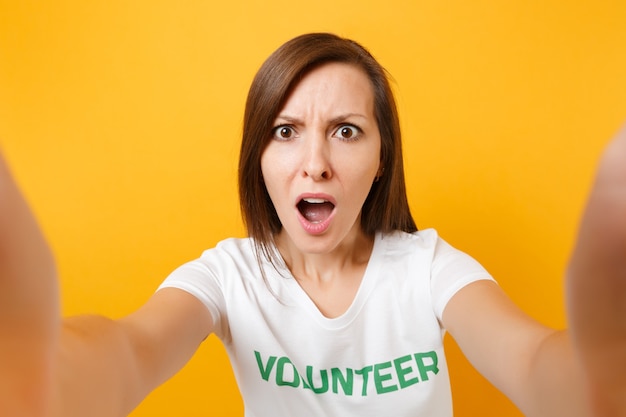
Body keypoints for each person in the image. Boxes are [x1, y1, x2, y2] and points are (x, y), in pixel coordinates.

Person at [0, 32, 624, 417]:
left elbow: (533, 360)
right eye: (286, 132)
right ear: (259, 157)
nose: (316, 164)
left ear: (382, 159)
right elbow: (128, 351)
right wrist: (40, 375)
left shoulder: (429, 268)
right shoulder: (228, 276)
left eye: (346, 132)